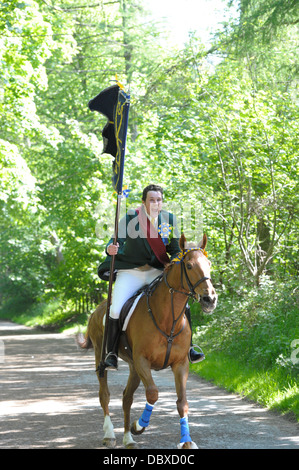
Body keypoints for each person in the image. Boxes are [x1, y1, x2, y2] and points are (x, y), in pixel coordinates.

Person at [98, 184, 204, 370]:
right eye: (152, 200)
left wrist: (176, 261)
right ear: (144, 202)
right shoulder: (131, 217)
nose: (156, 203)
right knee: (115, 309)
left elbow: (174, 249)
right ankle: (111, 353)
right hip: (132, 272)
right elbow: (115, 241)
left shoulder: (169, 219)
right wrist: (110, 249)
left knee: (184, 303)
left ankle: (190, 348)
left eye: (159, 200)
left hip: (157, 272)